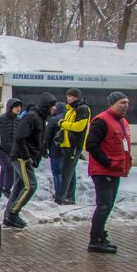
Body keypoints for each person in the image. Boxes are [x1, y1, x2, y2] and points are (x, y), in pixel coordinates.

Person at [85, 92, 131, 254]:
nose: (126, 105)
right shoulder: (102, 121)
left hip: (115, 170)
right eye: (122, 102)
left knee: (108, 204)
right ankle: (95, 240)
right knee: (103, 205)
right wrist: (108, 162)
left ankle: (100, 236)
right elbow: (91, 145)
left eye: (127, 103)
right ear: (112, 104)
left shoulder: (122, 121)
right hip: (104, 171)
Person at [4, 93, 57, 229]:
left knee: (20, 185)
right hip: (21, 158)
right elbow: (20, 138)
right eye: (52, 106)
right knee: (31, 186)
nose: (55, 108)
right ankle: (12, 213)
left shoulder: (39, 118)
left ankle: (9, 216)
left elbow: (37, 139)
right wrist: (27, 157)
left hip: (24, 157)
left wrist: (41, 151)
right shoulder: (32, 117)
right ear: (47, 106)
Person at [56, 88, 91, 205]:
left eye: (71, 96)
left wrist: (63, 123)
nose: (68, 98)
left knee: (66, 172)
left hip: (74, 145)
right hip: (67, 144)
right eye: (67, 96)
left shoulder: (83, 109)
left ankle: (62, 198)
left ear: (77, 97)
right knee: (69, 171)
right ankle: (69, 197)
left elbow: (79, 126)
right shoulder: (71, 109)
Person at [0, 98, 22, 198]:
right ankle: (6, 189)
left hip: (12, 151)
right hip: (0, 149)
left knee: (4, 169)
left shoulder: (19, 120)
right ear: (10, 107)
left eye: (20, 107)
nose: (18, 109)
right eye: (16, 106)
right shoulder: (0, 119)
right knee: (9, 168)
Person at [44, 102, 67, 201]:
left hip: (55, 150)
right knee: (68, 173)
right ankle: (68, 195)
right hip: (68, 150)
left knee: (57, 173)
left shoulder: (53, 120)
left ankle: (59, 195)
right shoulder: (69, 118)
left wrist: (45, 148)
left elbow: (47, 136)